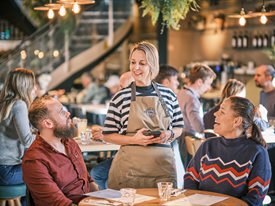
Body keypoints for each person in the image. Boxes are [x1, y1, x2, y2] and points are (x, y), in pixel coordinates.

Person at [102, 41, 184, 189]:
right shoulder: (120, 97)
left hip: (162, 170)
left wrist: (169, 133)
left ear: (152, 64)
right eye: (133, 62)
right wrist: (134, 139)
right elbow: (107, 134)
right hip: (129, 171)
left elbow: (179, 127)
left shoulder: (168, 94)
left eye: (142, 63)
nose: (136, 68)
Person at [184, 96, 271, 206]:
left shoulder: (257, 152)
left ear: (236, 121)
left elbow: (255, 197)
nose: (215, 114)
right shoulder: (207, 145)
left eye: (222, 112)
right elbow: (190, 178)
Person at [22, 95, 98, 205]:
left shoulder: (69, 142)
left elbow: (87, 179)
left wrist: (107, 200)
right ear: (48, 123)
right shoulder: (34, 160)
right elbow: (59, 203)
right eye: (62, 112)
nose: (68, 114)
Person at [0, 68, 36, 185]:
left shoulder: (5, 103)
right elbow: (27, 142)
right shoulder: (19, 105)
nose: (35, 88)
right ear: (25, 86)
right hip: (7, 171)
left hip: (3, 168)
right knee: (47, 168)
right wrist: (48, 135)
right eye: (32, 84)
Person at [177, 64, 216, 167]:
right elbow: (198, 127)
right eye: (208, 84)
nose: (209, 87)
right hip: (187, 141)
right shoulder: (192, 99)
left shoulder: (181, 93)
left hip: (180, 138)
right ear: (199, 82)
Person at [204, 79, 268, 133]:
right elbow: (262, 127)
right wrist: (264, 116)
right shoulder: (238, 113)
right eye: (242, 98)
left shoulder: (208, 115)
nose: (243, 103)